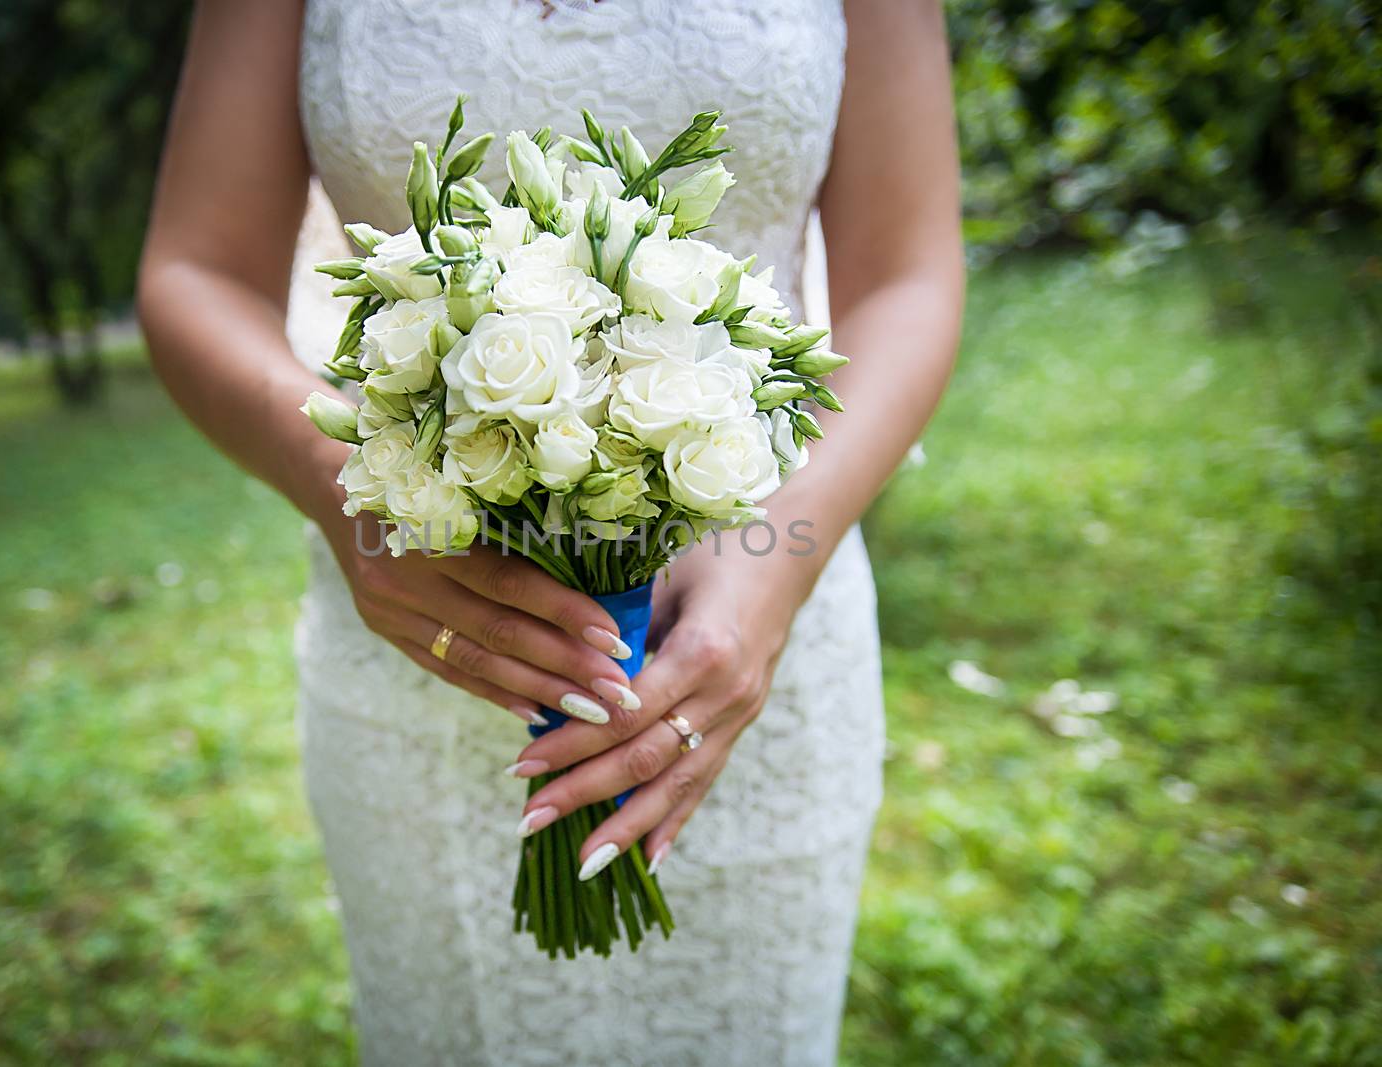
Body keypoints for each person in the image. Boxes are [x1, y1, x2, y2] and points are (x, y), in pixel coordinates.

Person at [137, 1, 962, 1063]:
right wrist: (353, 489)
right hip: (414, 658)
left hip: (747, 643)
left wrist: (778, 558)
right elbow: (193, 270)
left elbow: (907, 275)